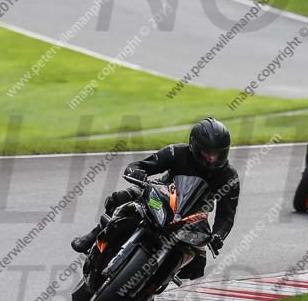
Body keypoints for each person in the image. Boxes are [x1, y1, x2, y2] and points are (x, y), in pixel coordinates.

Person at [71, 117, 240, 282]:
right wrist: (136, 172)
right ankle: (93, 236)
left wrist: (218, 235)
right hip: (160, 198)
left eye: (217, 153)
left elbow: (226, 216)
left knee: (197, 264)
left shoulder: (229, 177)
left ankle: (156, 282)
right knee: (121, 197)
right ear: (194, 145)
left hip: (192, 219)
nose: (212, 158)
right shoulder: (177, 152)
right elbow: (141, 166)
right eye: (207, 152)